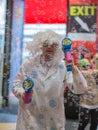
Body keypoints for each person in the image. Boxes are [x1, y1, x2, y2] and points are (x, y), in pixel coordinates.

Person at [12, 30, 73, 130]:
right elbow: (16, 84)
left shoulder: (63, 66)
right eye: (46, 44)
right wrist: (23, 94)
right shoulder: (28, 64)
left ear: (58, 47)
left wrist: (73, 69)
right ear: (40, 45)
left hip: (53, 118)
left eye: (53, 44)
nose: (49, 47)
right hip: (30, 117)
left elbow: (78, 88)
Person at [76, 58, 98, 130]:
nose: (86, 67)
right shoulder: (79, 74)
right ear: (80, 67)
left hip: (95, 103)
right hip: (85, 103)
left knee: (95, 123)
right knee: (83, 123)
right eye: (83, 66)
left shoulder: (94, 72)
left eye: (87, 65)